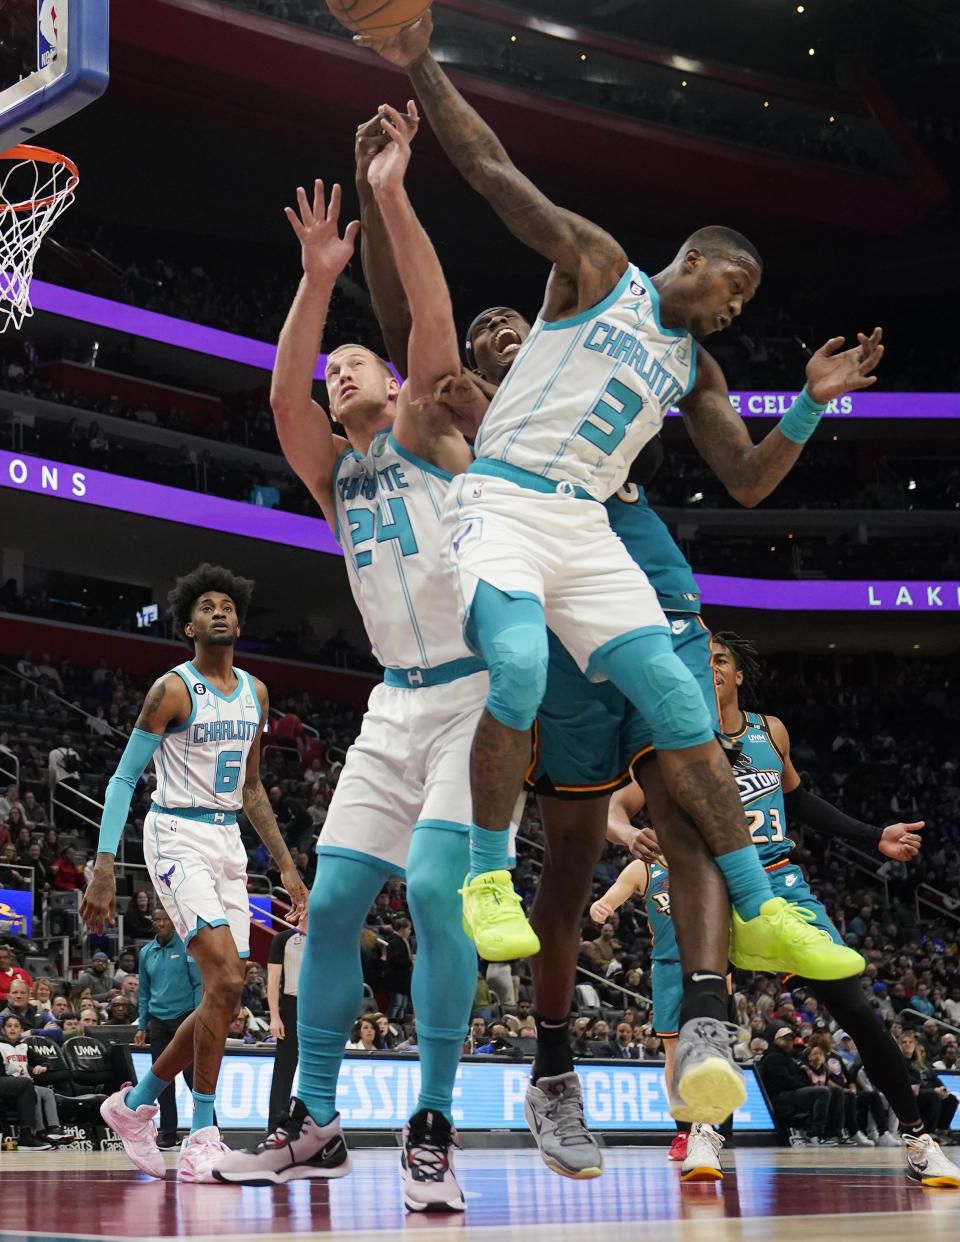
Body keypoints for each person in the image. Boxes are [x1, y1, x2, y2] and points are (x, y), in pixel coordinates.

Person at [211, 107, 494, 1213]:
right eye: (337, 372)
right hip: (395, 706)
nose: (339, 377)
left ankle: (432, 1128)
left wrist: (388, 193)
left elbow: (430, 312)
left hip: (478, 695)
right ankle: (312, 1119)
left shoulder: (427, 435)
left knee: (433, 891)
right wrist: (315, 280)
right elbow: (284, 395)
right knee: (328, 911)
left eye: (355, 365)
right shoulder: (337, 479)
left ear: (399, 384)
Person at [79, 563, 308, 1183]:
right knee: (228, 978)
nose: (220, 611)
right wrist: (104, 865)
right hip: (175, 833)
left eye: (228, 605)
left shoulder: (256, 693)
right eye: (206, 606)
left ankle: (134, 1104)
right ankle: (204, 1134)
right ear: (188, 625)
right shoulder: (172, 690)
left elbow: (254, 785)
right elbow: (125, 778)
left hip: (229, 838)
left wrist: (287, 870)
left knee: (224, 994)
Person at [706, 630, 960, 1186]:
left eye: (721, 659)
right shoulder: (679, 736)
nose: (712, 667)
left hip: (781, 884)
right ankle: (707, 1136)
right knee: (712, 1012)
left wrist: (875, 835)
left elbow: (797, 800)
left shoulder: (769, 731)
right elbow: (629, 798)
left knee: (858, 1011)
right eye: (702, 660)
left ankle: (919, 1139)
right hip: (711, 887)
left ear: (739, 673)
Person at [0, 1014, 67, 1144]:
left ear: (21, 1030)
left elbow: (44, 1060)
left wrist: (42, 1066)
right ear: (3, 1030)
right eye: (9, 1026)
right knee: (31, 1090)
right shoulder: (1, 1047)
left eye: (16, 1026)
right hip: (11, 1085)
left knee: (47, 1092)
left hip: (26, 1083)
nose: (12, 1029)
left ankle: (55, 1129)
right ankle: (39, 1131)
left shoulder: (24, 1047)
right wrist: (20, 1081)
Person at [266, 921, 306, 1132]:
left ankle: (315, 1126)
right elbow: (272, 982)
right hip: (291, 1006)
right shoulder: (283, 938)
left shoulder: (328, 936)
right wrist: (275, 1016)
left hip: (319, 1008)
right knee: (284, 1071)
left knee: (317, 1071)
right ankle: (275, 1128)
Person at [898, 1031, 959, 1138]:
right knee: (933, 1096)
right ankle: (928, 1132)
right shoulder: (899, 1062)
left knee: (951, 1099)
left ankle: (941, 1131)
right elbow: (911, 1082)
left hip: (927, 1090)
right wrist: (934, 1090)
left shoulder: (922, 1063)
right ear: (899, 1045)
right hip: (911, 1092)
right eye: (904, 1042)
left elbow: (933, 1077)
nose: (907, 1044)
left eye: (910, 1042)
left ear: (914, 1045)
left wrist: (942, 1088)